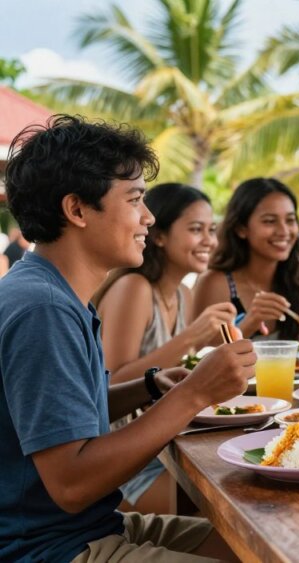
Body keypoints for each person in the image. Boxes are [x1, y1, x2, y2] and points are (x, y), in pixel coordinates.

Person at [0, 114, 254, 562]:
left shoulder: (54, 293)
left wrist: (151, 386)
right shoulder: (43, 308)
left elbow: (69, 416)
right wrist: (195, 393)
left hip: (92, 525)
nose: (148, 217)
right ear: (76, 210)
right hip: (48, 547)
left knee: (252, 546)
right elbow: (71, 484)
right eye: (135, 199)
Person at [92, 183, 237, 515]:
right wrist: (192, 337)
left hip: (164, 446)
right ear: (159, 235)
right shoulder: (134, 287)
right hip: (125, 461)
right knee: (224, 505)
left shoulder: (183, 296)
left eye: (211, 230)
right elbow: (112, 381)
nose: (209, 241)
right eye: (196, 229)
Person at [192, 178, 299, 342]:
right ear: (241, 229)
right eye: (269, 221)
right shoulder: (214, 283)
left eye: (290, 220)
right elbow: (200, 359)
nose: (284, 231)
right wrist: (249, 323)